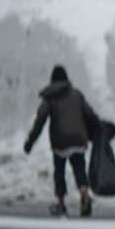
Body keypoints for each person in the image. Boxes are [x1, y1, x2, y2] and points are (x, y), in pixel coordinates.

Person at [23, 65, 101, 217]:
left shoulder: (50, 97)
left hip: (60, 141)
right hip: (79, 139)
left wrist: (30, 141)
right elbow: (90, 114)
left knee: (59, 172)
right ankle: (84, 193)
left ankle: (60, 203)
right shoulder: (77, 94)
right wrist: (100, 131)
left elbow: (40, 120)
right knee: (79, 169)